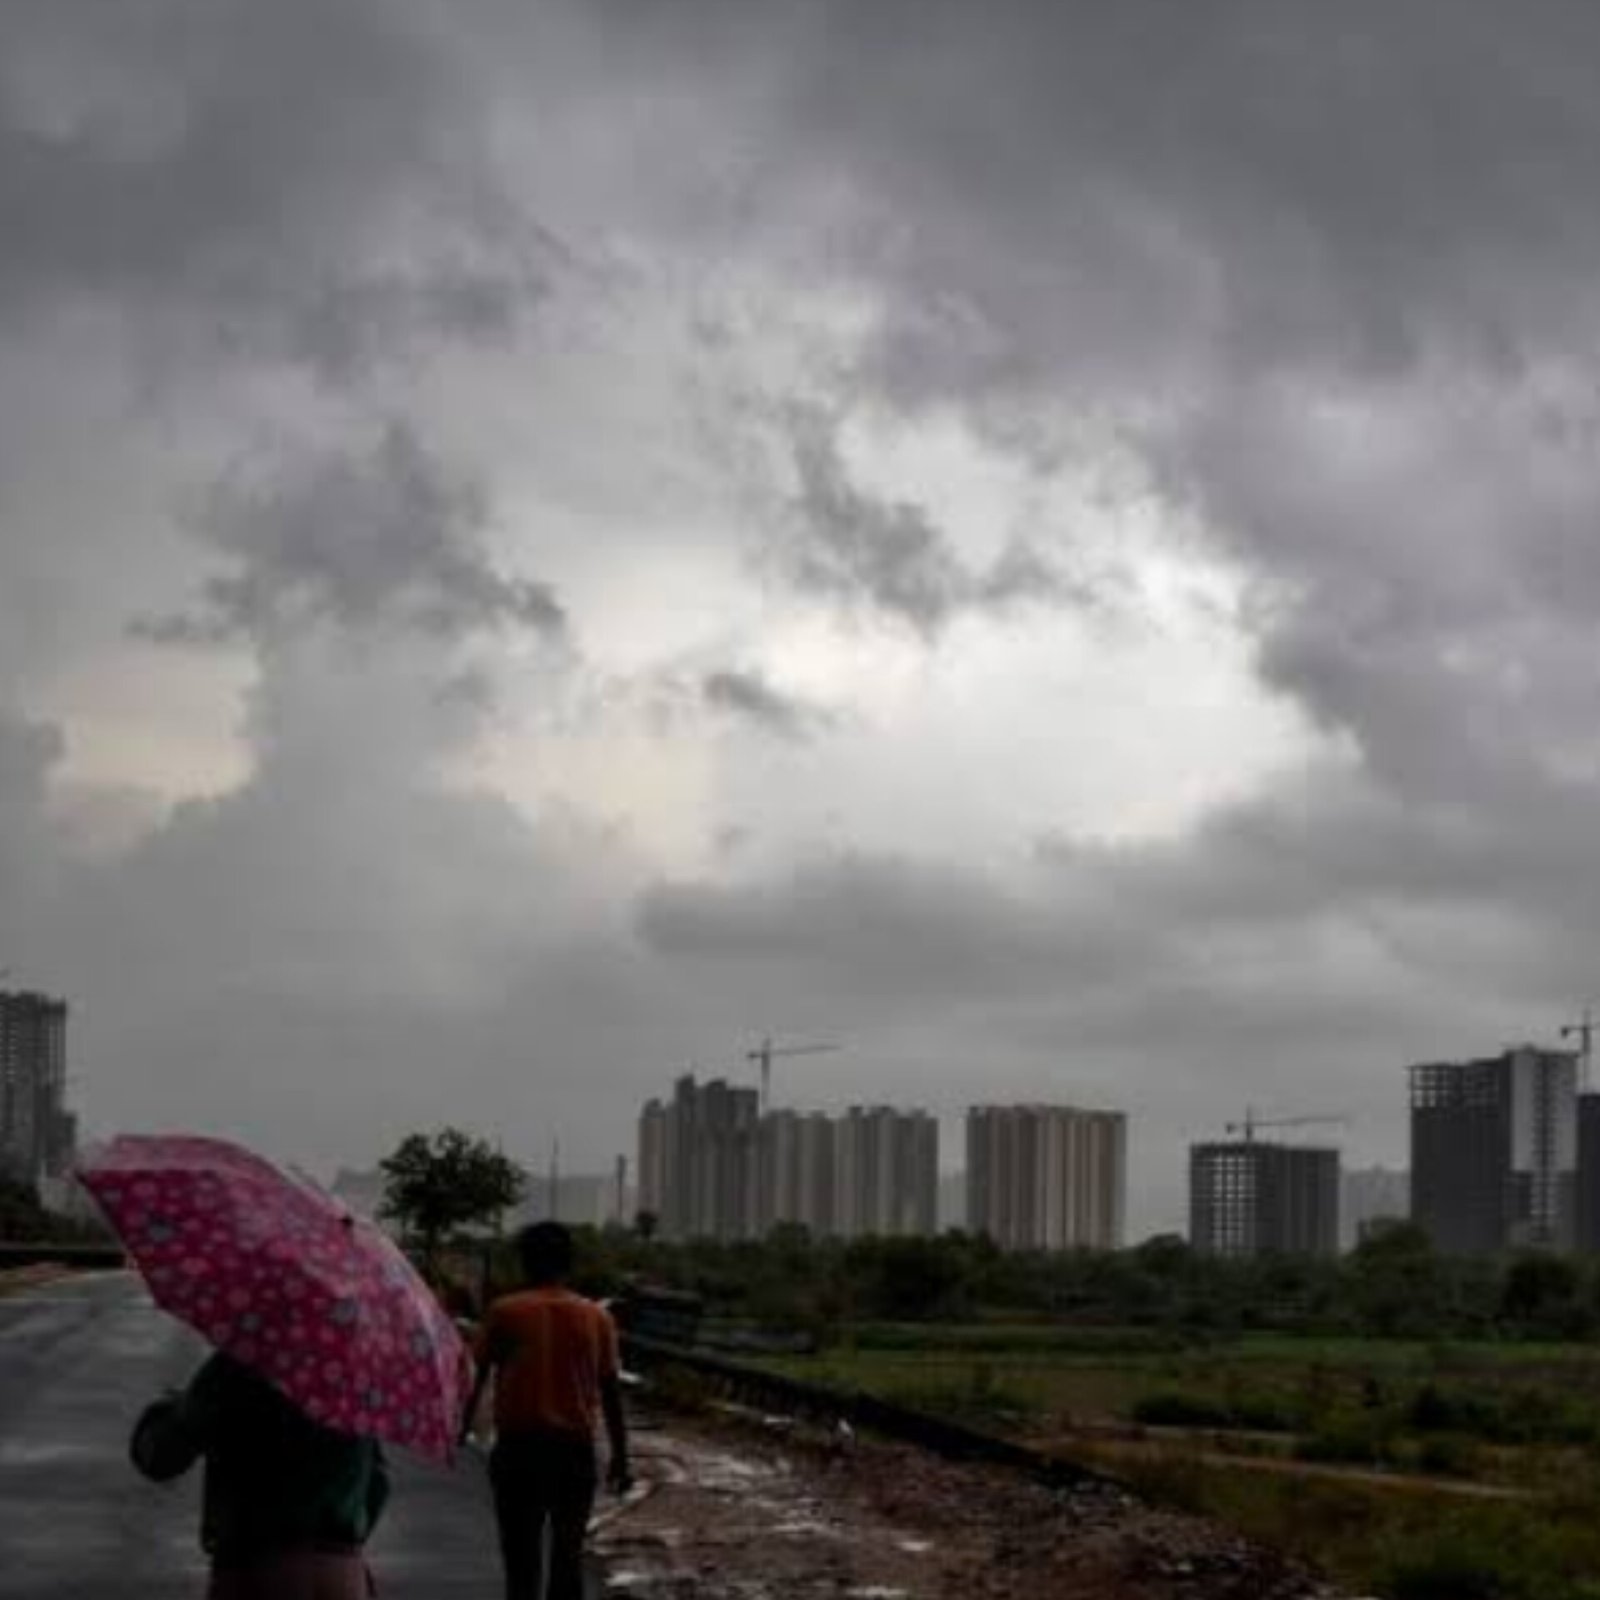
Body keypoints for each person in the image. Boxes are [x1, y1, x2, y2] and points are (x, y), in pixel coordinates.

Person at [130, 1350, 390, 1600]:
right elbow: (377, 1483)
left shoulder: (241, 1363)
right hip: (342, 1573)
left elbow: (161, 1456)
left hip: (258, 1570)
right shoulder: (353, 1376)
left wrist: (174, 1408)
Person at [467, 1221, 631, 1600]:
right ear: (568, 1263)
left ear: (525, 1262)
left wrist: (460, 1429)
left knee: (521, 1563)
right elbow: (611, 1393)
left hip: (518, 1450)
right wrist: (621, 1458)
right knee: (567, 1562)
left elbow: (478, 1377)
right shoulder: (597, 1318)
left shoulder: (505, 1312)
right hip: (573, 1451)